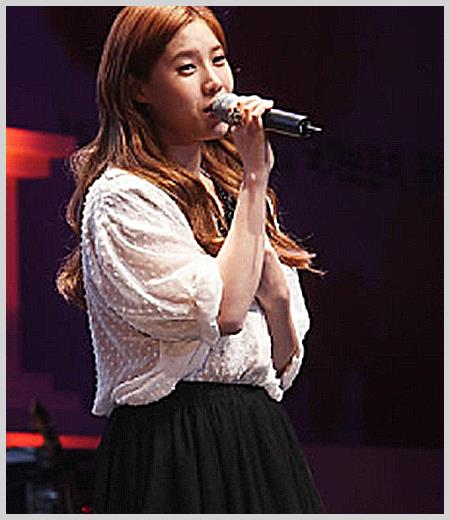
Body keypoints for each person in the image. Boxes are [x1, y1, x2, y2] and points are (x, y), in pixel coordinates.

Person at [56, 6, 324, 514]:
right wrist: (255, 175)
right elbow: (224, 313)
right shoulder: (121, 198)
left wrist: (277, 297)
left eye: (218, 60)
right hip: (173, 443)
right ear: (138, 88)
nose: (213, 83)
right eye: (186, 68)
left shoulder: (230, 195)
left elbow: (282, 363)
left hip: (258, 436)